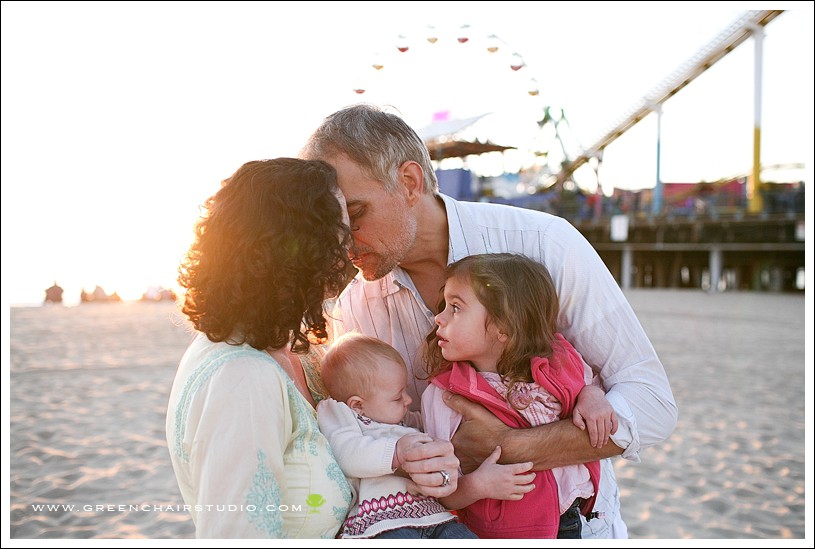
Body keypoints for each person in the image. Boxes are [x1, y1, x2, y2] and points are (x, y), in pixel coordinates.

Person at [300, 103, 677, 538]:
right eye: (333, 225)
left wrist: (511, 446)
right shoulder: (355, 307)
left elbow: (652, 405)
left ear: (409, 182)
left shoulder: (545, 244)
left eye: (356, 214)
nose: (345, 242)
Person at [165, 158, 459, 538]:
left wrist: (410, 459)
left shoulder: (303, 351)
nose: (352, 244)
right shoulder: (240, 377)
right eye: (342, 227)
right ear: (301, 248)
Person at [421, 253, 616, 538]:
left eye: (456, 308)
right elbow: (440, 487)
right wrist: (477, 485)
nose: (438, 318)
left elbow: (588, 383)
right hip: (504, 531)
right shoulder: (444, 397)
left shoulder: (558, 362)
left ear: (503, 327)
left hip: (571, 520)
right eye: (445, 306)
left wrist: (592, 397)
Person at [316, 332, 477, 539]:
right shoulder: (341, 413)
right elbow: (346, 453)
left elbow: (428, 424)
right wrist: (397, 453)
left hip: (433, 515)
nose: (408, 400)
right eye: (397, 397)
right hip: (384, 521)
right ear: (357, 405)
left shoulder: (400, 419)